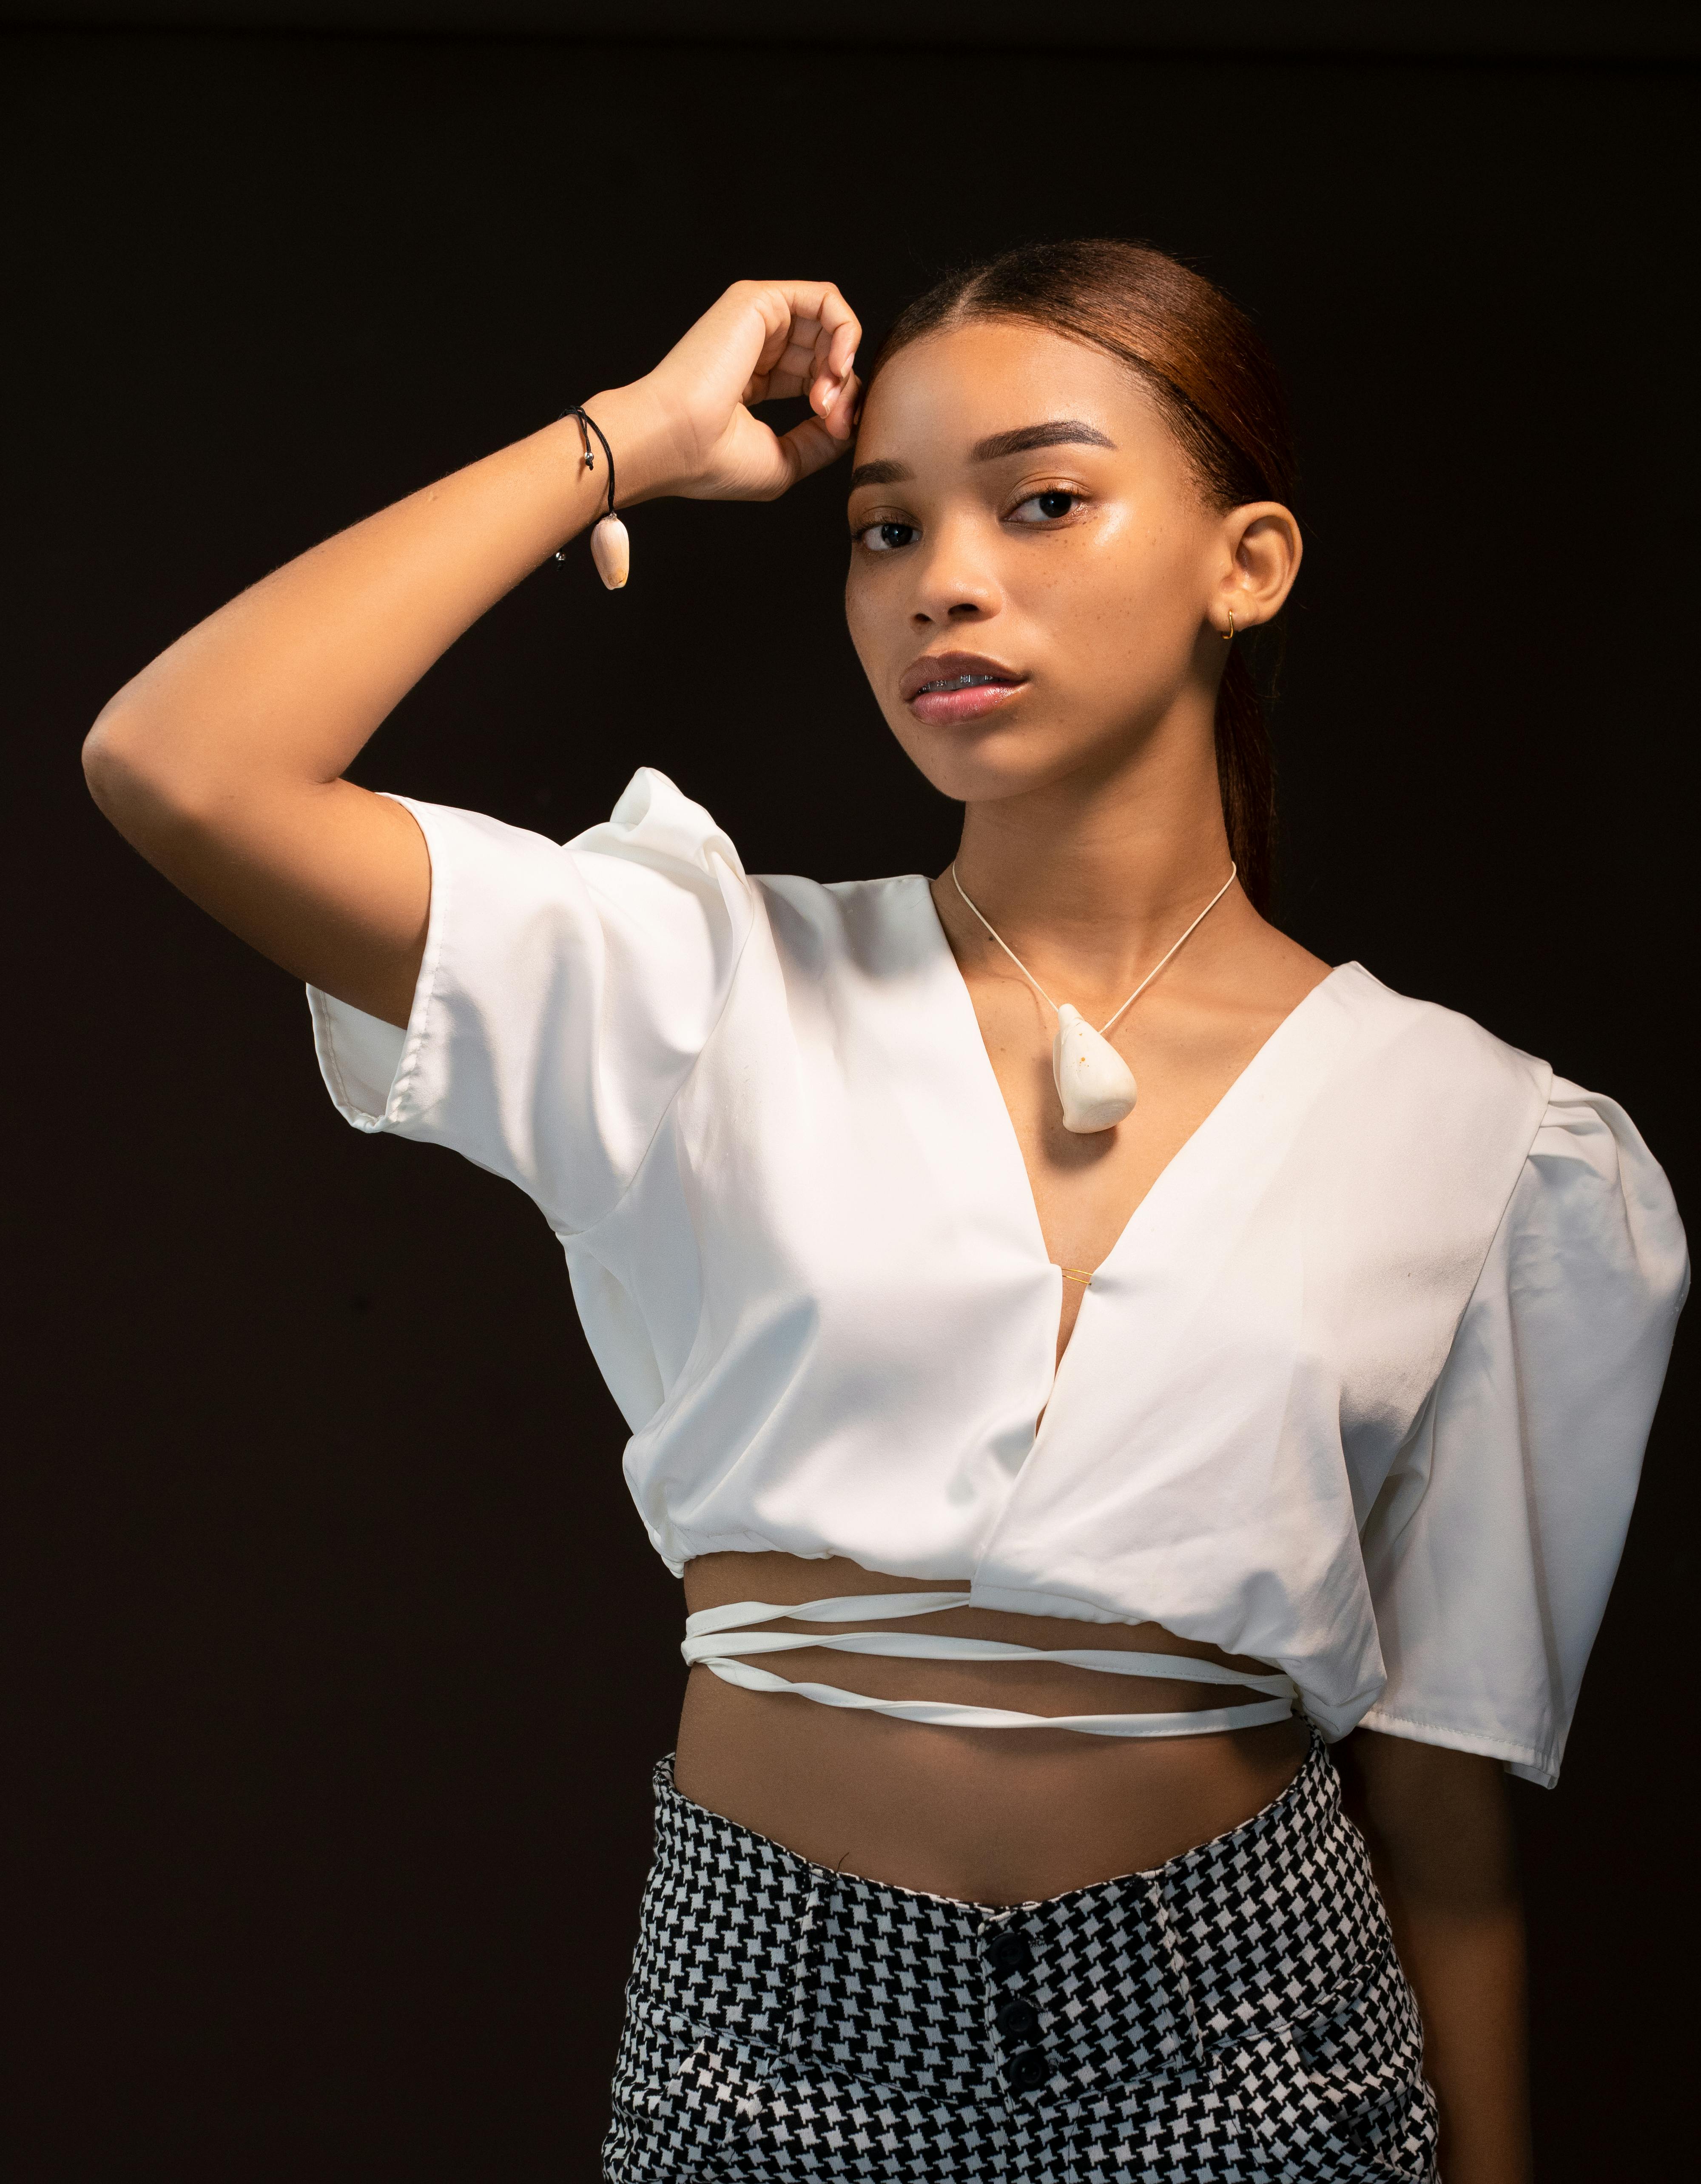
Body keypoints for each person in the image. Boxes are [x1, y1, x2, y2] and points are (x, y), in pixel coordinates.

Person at [83, 241, 1685, 2184]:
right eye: (879, 526)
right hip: (770, 2026)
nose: (942, 578)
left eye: (1042, 501)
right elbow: (182, 764)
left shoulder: (1483, 1141)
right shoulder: (696, 983)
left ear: (1245, 563)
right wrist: (626, 444)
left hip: (1253, 2031)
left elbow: (1440, 1798)